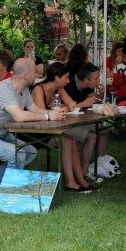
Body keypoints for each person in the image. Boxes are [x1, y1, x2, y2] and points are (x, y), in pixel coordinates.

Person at [0, 58, 66, 196]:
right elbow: (20, 116)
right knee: (17, 154)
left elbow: (35, 110)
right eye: (35, 72)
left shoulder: (24, 89)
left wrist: (54, 113)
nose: (38, 75)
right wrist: (48, 116)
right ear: (26, 75)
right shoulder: (3, 89)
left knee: (30, 152)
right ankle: (6, 193)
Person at [31, 62, 93, 192]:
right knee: (67, 140)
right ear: (56, 77)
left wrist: (67, 107)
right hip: (35, 130)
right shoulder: (39, 89)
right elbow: (42, 115)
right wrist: (66, 108)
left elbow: (72, 105)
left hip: (51, 128)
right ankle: (71, 182)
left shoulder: (58, 89)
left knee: (71, 140)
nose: (68, 80)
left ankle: (80, 180)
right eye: (66, 77)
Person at [61, 62, 109, 171]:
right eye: (96, 78)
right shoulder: (67, 86)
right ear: (86, 80)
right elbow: (65, 110)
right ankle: (84, 170)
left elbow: (91, 103)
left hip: (78, 120)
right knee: (92, 136)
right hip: (66, 123)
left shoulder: (88, 86)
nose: (98, 81)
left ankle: (100, 163)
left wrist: (100, 94)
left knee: (104, 130)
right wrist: (83, 104)